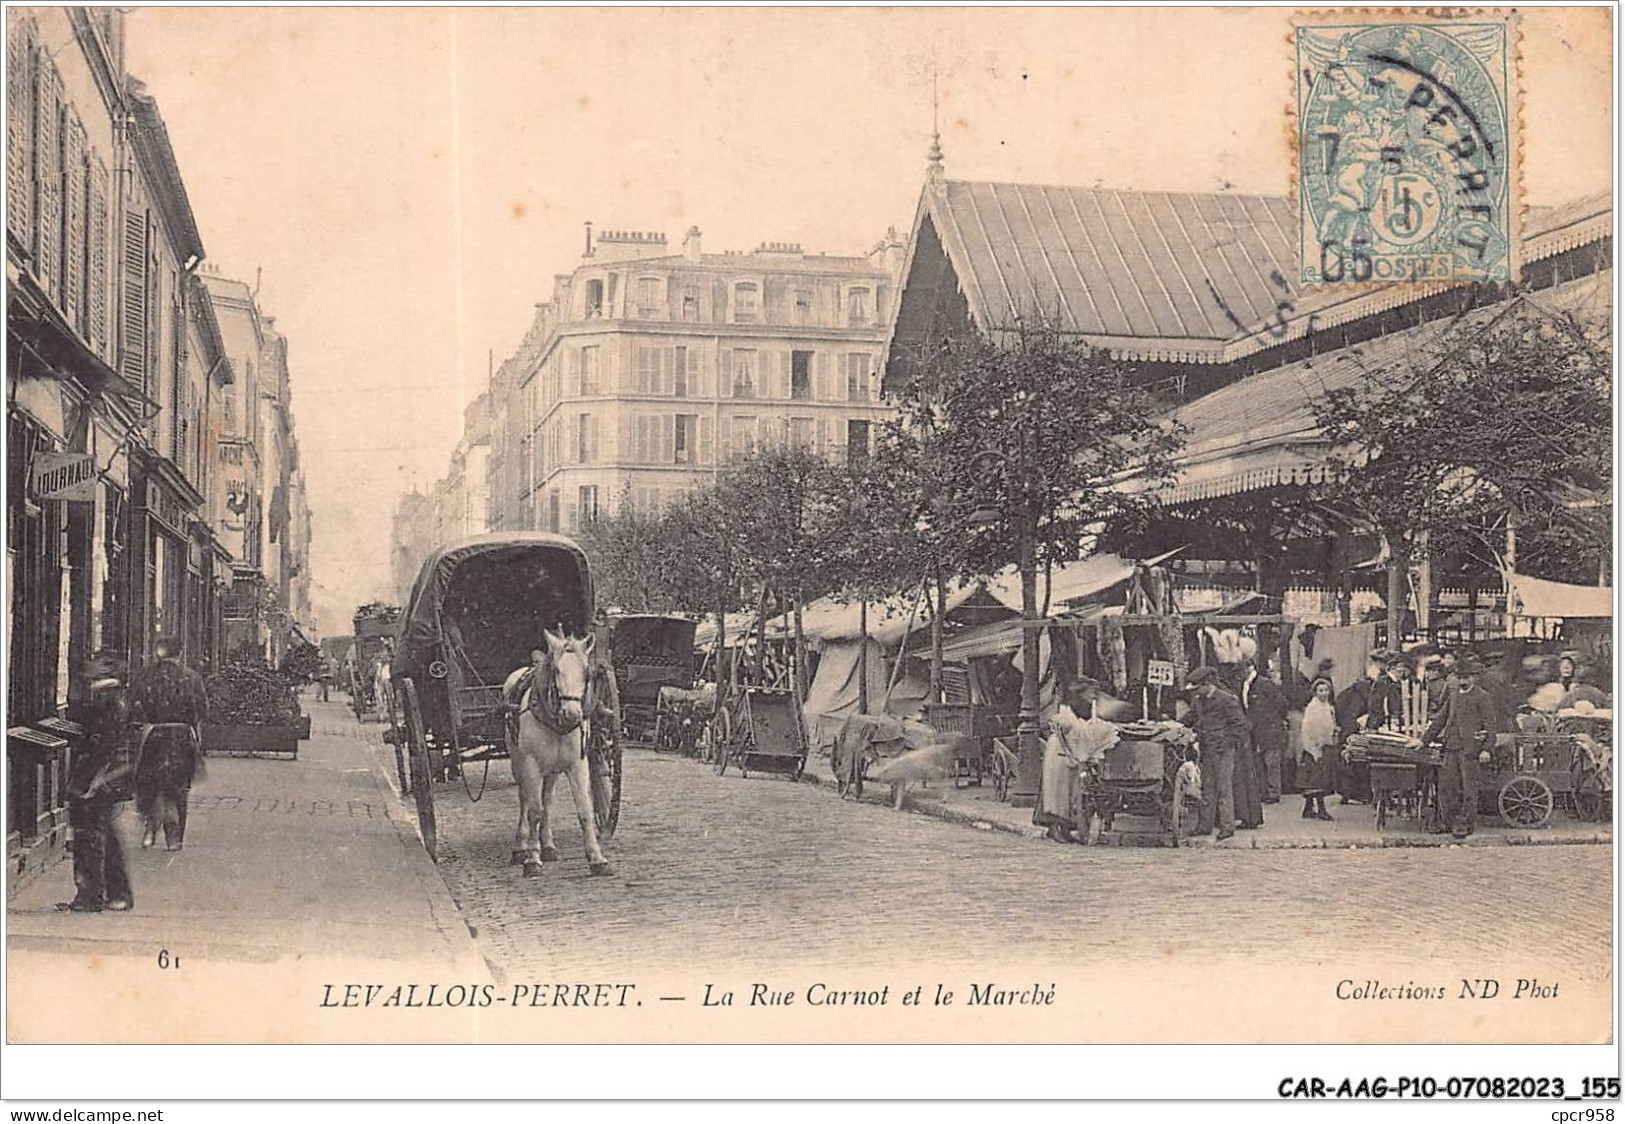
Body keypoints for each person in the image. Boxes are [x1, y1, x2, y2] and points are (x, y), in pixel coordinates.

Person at [57, 650, 135, 913]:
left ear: (106, 670)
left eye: (96, 662)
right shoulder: (111, 698)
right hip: (106, 778)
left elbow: (101, 746)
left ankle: (90, 895)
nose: (89, 666)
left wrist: (89, 783)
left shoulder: (105, 700)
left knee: (89, 835)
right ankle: (116, 893)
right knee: (105, 836)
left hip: (96, 778)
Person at [129, 636, 209, 851]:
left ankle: (150, 828)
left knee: (150, 783)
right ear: (180, 653)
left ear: (157, 652)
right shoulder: (191, 678)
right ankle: (174, 838)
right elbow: (202, 709)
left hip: (153, 736)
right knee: (179, 788)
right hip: (182, 738)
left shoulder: (144, 676)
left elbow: (133, 705)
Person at [1423, 657, 1498, 839]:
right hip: (1451, 747)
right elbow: (1440, 719)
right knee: (1447, 787)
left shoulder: (1483, 697)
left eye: (1467, 677)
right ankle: (1449, 822)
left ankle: (1465, 824)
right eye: (1460, 677)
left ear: (1474, 678)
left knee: (1468, 789)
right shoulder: (1454, 695)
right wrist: (1424, 741)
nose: (1463, 681)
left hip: (1470, 749)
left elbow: (1491, 726)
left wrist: (1487, 748)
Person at [1186, 666, 1249, 841]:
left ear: (1207, 684)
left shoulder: (1227, 700)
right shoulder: (1199, 700)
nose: (1195, 693)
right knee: (1207, 789)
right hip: (1207, 749)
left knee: (1224, 789)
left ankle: (1227, 827)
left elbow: (1241, 725)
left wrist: (1227, 743)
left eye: (1198, 688)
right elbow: (1191, 718)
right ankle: (1204, 826)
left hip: (1223, 751)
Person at [1334, 656, 1382, 805]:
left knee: (1349, 762)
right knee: (1359, 763)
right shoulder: (1367, 693)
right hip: (1356, 729)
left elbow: (1340, 706)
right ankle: (1360, 794)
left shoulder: (1351, 690)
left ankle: (1347, 793)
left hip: (1347, 729)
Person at [1242, 659, 1289, 804]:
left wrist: (1275, 719)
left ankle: (1273, 792)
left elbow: (1281, 703)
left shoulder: (1263, 684)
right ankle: (1265, 791)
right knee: (1262, 760)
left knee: (1271, 760)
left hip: (1270, 728)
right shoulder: (1246, 685)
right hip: (1257, 729)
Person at [1298, 675, 1339, 822]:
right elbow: (1309, 728)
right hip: (1316, 748)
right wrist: (1315, 748)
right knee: (1319, 781)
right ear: (1315, 692)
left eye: (1326, 690)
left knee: (1315, 780)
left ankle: (1308, 808)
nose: (1324, 693)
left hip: (1324, 746)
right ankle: (1321, 810)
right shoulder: (1313, 707)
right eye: (1320, 690)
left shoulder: (1327, 706)